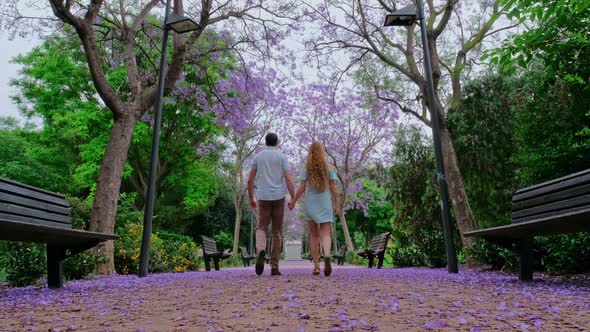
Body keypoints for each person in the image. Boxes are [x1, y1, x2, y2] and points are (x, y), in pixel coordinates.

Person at [247, 133, 295, 276]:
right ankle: (274, 267)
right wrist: (293, 198)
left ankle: (261, 249)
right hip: (279, 197)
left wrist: (251, 198)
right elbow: (288, 178)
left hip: (262, 196)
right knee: (276, 232)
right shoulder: (282, 157)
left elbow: (250, 180)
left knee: (261, 227)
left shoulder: (258, 157)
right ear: (277, 142)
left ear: (265, 142)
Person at [288, 141, 339, 276]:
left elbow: (302, 188)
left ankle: (316, 267)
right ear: (322, 152)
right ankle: (327, 255)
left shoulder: (306, 169)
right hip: (325, 204)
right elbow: (333, 189)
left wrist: (293, 201)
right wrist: (337, 205)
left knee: (314, 235)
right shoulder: (331, 168)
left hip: (311, 204)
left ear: (310, 153)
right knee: (326, 234)